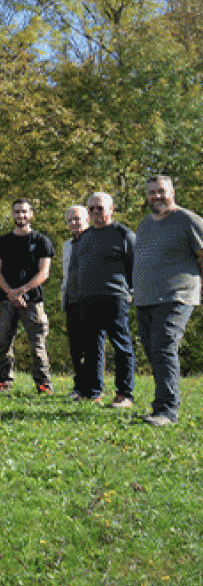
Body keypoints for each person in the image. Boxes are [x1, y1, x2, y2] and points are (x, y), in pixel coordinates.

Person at [133, 175, 203, 426]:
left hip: (177, 295)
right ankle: (163, 402)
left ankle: (166, 411)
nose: (157, 196)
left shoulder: (188, 220)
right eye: (152, 192)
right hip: (145, 297)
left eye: (161, 191)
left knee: (163, 346)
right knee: (153, 351)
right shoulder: (145, 224)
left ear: (172, 191)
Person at [0, 198, 55, 394]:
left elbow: (44, 272)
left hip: (33, 300)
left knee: (37, 344)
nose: (21, 215)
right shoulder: (2, 242)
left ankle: (44, 384)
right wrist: (11, 292)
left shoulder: (41, 241)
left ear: (31, 214)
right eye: (17, 212)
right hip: (6, 300)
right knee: (4, 342)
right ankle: (4, 381)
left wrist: (22, 290)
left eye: (24, 212)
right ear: (12, 215)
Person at [76, 192, 136, 407]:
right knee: (92, 347)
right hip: (88, 299)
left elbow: (135, 267)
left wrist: (131, 291)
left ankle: (124, 394)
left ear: (111, 210)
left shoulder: (124, 234)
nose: (95, 213)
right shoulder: (85, 236)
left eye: (99, 208)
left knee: (121, 346)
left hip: (115, 298)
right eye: (90, 209)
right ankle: (93, 392)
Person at [60, 205, 91, 401]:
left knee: (92, 348)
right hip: (72, 301)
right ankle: (79, 386)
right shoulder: (67, 245)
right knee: (75, 348)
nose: (73, 223)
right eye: (70, 220)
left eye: (77, 219)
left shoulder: (95, 240)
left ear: (87, 219)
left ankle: (93, 388)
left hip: (92, 301)